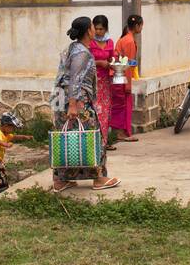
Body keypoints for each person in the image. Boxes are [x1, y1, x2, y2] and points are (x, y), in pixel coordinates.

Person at [50, 16, 120, 192]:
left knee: (65, 137)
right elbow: (75, 79)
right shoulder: (81, 52)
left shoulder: (72, 48)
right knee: (93, 136)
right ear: (89, 31)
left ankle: (61, 179)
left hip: (60, 99)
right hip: (76, 100)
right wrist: (73, 104)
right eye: (92, 27)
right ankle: (99, 178)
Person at [109, 14, 143, 144]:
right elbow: (127, 64)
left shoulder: (124, 39)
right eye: (141, 25)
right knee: (122, 104)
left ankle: (120, 132)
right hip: (121, 76)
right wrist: (128, 84)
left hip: (117, 75)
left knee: (119, 104)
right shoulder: (129, 41)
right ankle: (121, 132)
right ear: (137, 26)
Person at [89, 15, 116, 148]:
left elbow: (113, 58)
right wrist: (99, 62)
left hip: (105, 82)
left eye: (101, 29)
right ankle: (93, 142)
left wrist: (113, 63)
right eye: (96, 28)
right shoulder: (89, 43)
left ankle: (104, 141)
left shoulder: (110, 42)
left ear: (106, 29)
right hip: (92, 82)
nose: (98, 32)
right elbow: (84, 61)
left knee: (105, 111)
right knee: (94, 111)